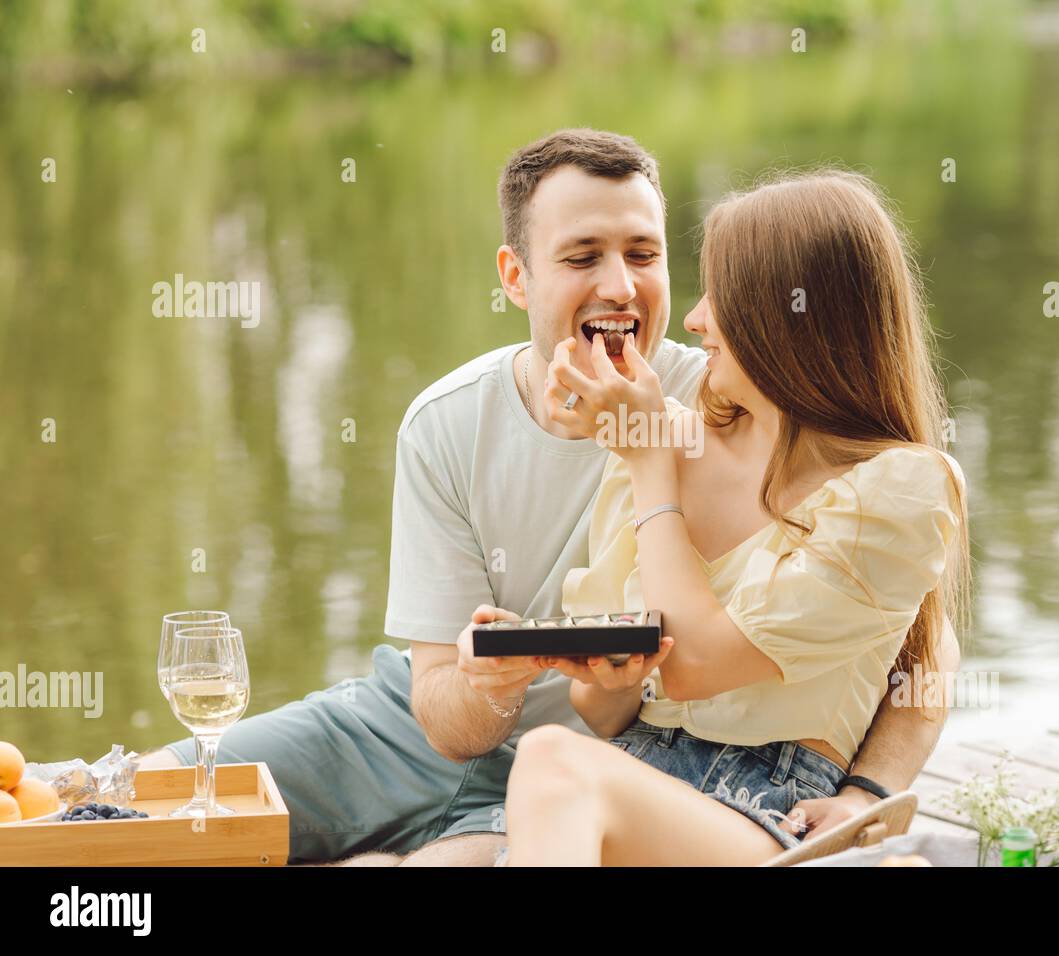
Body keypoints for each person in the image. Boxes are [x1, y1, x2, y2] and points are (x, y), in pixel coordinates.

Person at [141, 130, 961, 866]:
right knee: (154, 795)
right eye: (582, 258)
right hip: (447, 737)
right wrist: (510, 680)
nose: (623, 288)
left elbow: (914, 642)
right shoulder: (452, 423)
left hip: (603, 778)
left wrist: (865, 795)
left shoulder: (703, 406)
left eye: (644, 254)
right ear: (516, 276)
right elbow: (465, 710)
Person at [499, 169, 969, 865]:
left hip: (767, 807)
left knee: (549, 760)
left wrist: (868, 792)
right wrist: (609, 675)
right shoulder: (671, 442)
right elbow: (601, 712)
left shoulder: (900, 490)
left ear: (789, 318)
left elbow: (695, 667)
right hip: (634, 783)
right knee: (553, 772)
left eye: (723, 294)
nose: (695, 318)